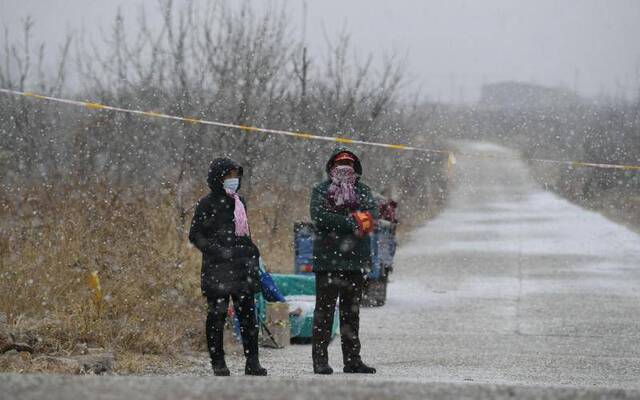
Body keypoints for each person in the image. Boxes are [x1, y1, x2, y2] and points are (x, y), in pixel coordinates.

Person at [189, 158, 267, 377]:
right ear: (217, 178)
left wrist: (252, 250)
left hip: (243, 268)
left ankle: (252, 362)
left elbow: (243, 233)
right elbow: (195, 235)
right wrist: (219, 251)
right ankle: (218, 362)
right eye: (228, 176)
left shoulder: (239, 202)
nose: (233, 180)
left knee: (248, 318)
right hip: (218, 270)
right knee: (217, 317)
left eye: (236, 176)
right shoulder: (206, 203)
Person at [310, 147, 378, 375]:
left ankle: (352, 360)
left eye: (349, 165)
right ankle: (320, 360)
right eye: (340, 165)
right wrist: (352, 222)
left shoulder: (364, 191)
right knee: (324, 313)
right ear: (331, 168)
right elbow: (320, 217)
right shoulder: (320, 191)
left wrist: (341, 220)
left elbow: (370, 218)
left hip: (355, 262)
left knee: (351, 313)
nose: (344, 170)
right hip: (327, 262)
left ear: (355, 169)